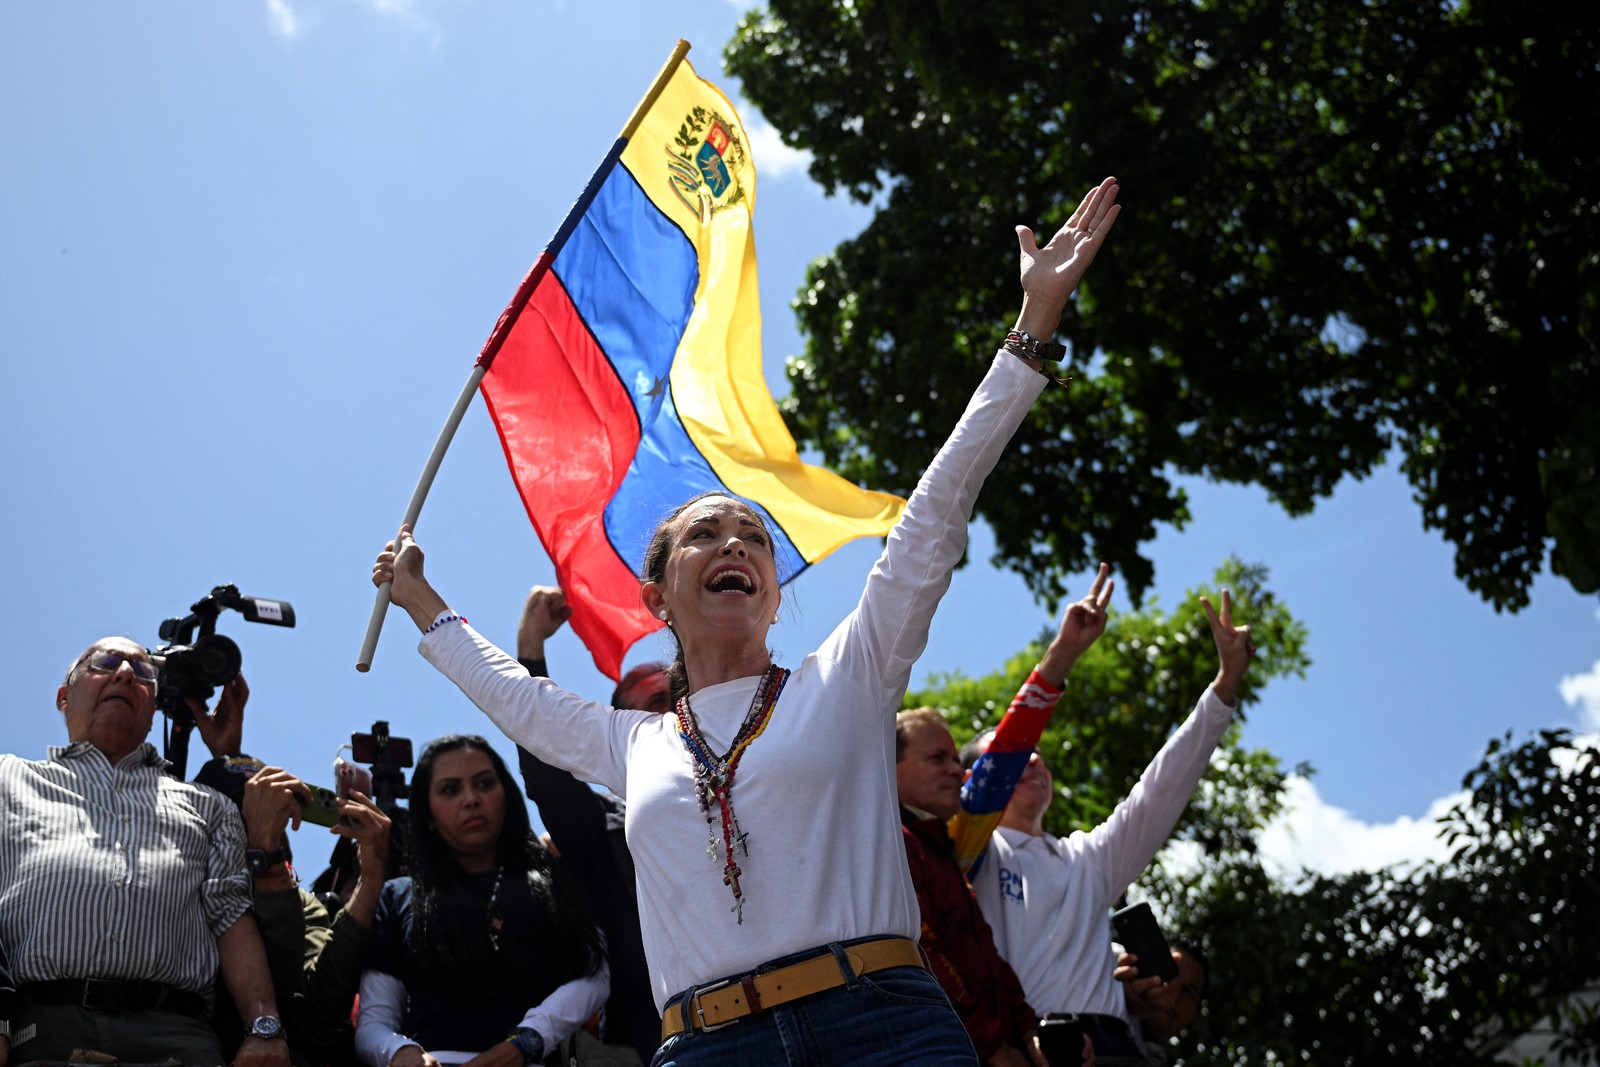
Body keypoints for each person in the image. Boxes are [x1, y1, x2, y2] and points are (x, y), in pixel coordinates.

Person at [372, 177, 1123, 1067]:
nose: (736, 541)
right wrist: (420, 600)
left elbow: (933, 517)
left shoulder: (848, 678)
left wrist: (1032, 326)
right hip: (707, 1045)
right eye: (705, 534)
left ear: (770, 590)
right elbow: (515, 698)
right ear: (657, 595)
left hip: (884, 1027)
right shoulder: (631, 743)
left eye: (754, 538)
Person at [965, 592, 1254, 1066]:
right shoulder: (970, 855)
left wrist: (1225, 684)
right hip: (1027, 1048)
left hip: (1117, 1052)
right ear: (977, 783)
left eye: (1038, 754)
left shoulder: (1087, 858)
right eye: (1016, 756)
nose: (1033, 759)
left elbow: (1160, 791)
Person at [0, 637, 289, 1066]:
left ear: (153, 713)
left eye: (142, 671)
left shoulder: (209, 807)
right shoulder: (8, 779)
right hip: (45, 1030)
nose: (124, 673)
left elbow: (231, 918)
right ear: (64, 698)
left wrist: (264, 1026)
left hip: (178, 1039)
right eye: (105, 662)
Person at [355, 734, 608, 1067]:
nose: (471, 799)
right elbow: (374, 1021)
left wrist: (527, 1042)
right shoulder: (398, 896)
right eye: (450, 790)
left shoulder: (550, 881)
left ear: (506, 796)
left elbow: (595, 975)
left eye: (485, 784)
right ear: (427, 813)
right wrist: (400, 1053)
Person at [515, 585, 663, 1063]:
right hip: (658, 1043)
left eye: (682, 700)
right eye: (656, 703)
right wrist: (530, 649)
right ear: (622, 726)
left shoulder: (748, 796)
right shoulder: (603, 830)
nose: (673, 714)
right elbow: (549, 778)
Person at [895, 709, 1043, 1067]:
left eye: (955, 760)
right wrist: (992, 1047)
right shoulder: (895, 843)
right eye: (937, 758)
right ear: (888, 765)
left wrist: (1029, 1030)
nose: (957, 771)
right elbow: (924, 953)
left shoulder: (940, 849)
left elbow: (986, 955)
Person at [1113, 936, 1209, 1064]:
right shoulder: (1111, 965)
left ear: (1193, 1014)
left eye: (1187, 991)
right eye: (1169, 973)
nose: (1173, 993)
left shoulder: (1154, 1059)